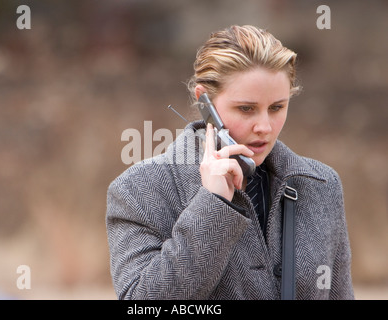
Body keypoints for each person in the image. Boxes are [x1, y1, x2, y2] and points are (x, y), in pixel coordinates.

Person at [106, 25, 354, 300]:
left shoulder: (320, 184)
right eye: (246, 108)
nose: (264, 127)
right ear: (205, 103)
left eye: (277, 107)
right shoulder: (139, 189)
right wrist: (213, 205)